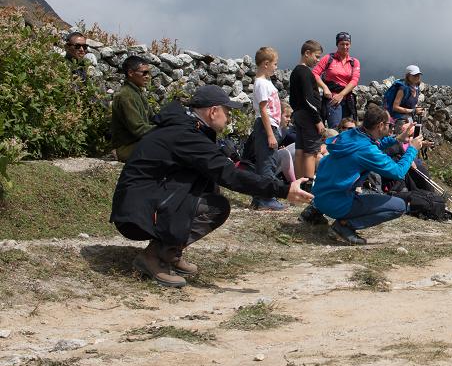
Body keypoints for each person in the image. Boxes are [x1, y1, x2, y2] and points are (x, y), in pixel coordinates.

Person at [110, 85, 313, 287]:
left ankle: (169, 250)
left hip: (143, 202)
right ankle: (154, 255)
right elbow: (230, 174)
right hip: (137, 211)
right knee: (216, 207)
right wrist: (283, 190)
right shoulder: (186, 135)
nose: (229, 118)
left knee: (208, 182)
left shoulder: (188, 128)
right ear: (213, 111)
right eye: (227, 112)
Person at [311, 104, 423, 245]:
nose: (391, 128)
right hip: (338, 203)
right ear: (381, 125)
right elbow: (398, 172)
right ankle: (345, 225)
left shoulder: (349, 135)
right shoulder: (366, 150)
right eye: (389, 125)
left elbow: (372, 145)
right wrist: (412, 149)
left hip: (320, 196)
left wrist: (398, 138)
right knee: (399, 206)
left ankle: (313, 211)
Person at [250, 46, 286, 211]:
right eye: (275, 64)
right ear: (265, 64)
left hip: (270, 126)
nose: (276, 67)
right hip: (267, 127)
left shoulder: (265, 82)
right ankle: (266, 198)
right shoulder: (262, 84)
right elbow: (264, 110)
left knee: (266, 161)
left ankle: (258, 196)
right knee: (268, 163)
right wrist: (271, 134)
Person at [289, 40, 325, 183]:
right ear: (307, 53)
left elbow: (293, 99)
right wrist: (317, 119)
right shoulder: (305, 72)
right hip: (309, 116)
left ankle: (298, 184)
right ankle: (308, 186)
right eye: (316, 56)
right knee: (311, 151)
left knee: (300, 150)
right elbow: (308, 99)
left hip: (298, 114)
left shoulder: (295, 72)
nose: (317, 60)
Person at [111, 55, 155, 161]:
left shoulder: (137, 93)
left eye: (148, 73)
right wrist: (166, 129)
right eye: (144, 73)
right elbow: (139, 129)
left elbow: (153, 118)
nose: (147, 76)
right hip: (126, 148)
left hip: (139, 143)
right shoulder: (126, 96)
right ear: (130, 73)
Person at [313, 32, 360, 129]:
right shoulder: (328, 58)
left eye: (347, 44)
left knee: (349, 130)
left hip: (347, 99)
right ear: (337, 45)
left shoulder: (354, 62)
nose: (345, 46)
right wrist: (325, 88)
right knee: (335, 129)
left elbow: (354, 80)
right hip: (332, 99)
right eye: (342, 44)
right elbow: (314, 73)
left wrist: (341, 95)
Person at [385, 65, 424, 131]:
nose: (417, 77)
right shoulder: (403, 88)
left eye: (418, 75)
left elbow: (412, 105)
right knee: (403, 138)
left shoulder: (416, 88)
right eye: (414, 75)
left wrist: (417, 110)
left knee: (413, 136)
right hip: (400, 119)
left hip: (409, 118)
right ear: (408, 76)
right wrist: (413, 111)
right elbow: (395, 107)